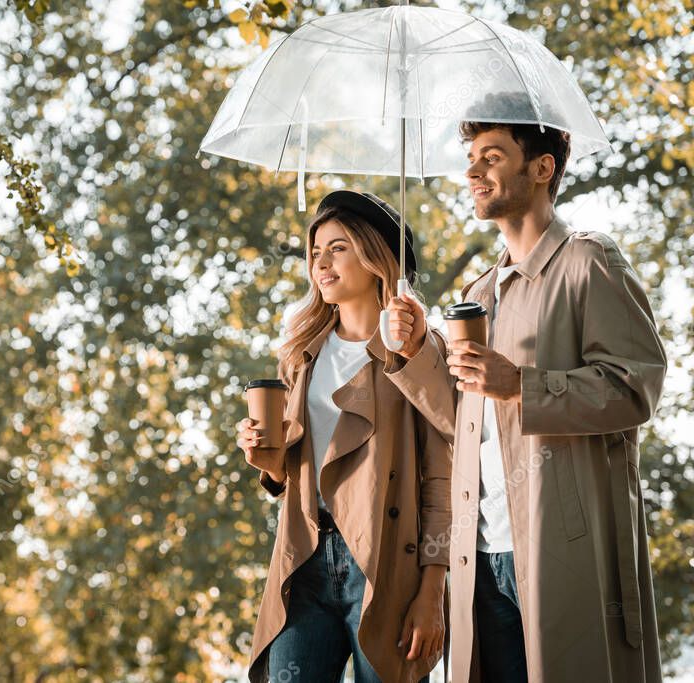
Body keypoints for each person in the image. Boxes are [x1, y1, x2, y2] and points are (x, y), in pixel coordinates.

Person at [419, 93, 666, 682]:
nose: (473, 171)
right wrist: (408, 353)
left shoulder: (590, 262)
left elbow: (635, 388)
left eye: (492, 156)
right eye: (470, 157)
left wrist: (522, 386)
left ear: (541, 167)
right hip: (479, 559)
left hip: (561, 554)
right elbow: (458, 418)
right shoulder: (477, 296)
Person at [236, 190, 456, 683]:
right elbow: (291, 474)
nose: (320, 262)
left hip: (386, 566)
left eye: (337, 248)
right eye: (314, 252)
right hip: (305, 557)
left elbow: (443, 474)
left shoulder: (418, 348)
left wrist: (432, 591)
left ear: (377, 254)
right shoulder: (301, 354)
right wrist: (265, 461)